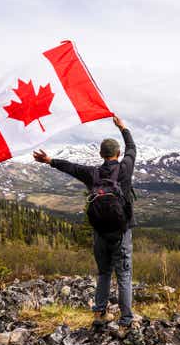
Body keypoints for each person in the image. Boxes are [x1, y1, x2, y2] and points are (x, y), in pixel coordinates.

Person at [32, 115, 136, 327]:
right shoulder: (125, 167)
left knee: (104, 273)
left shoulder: (93, 173)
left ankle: (99, 315)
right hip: (122, 232)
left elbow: (70, 167)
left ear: (101, 154)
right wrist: (123, 127)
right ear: (117, 154)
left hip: (100, 233)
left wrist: (50, 160)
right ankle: (126, 321)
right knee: (124, 275)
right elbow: (132, 148)